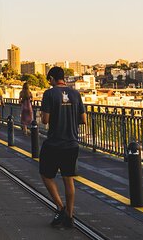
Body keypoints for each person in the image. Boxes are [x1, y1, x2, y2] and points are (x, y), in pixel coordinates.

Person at [40, 66, 86, 229]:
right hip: (72, 143)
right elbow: (83, 119)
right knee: (69, 179)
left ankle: (60, 207)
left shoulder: (49, 94)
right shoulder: (76, 94)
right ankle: (70, 215)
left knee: (46, 175)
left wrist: (45, 116)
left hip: (54, 142)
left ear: (52, 78)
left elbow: (45, 120)